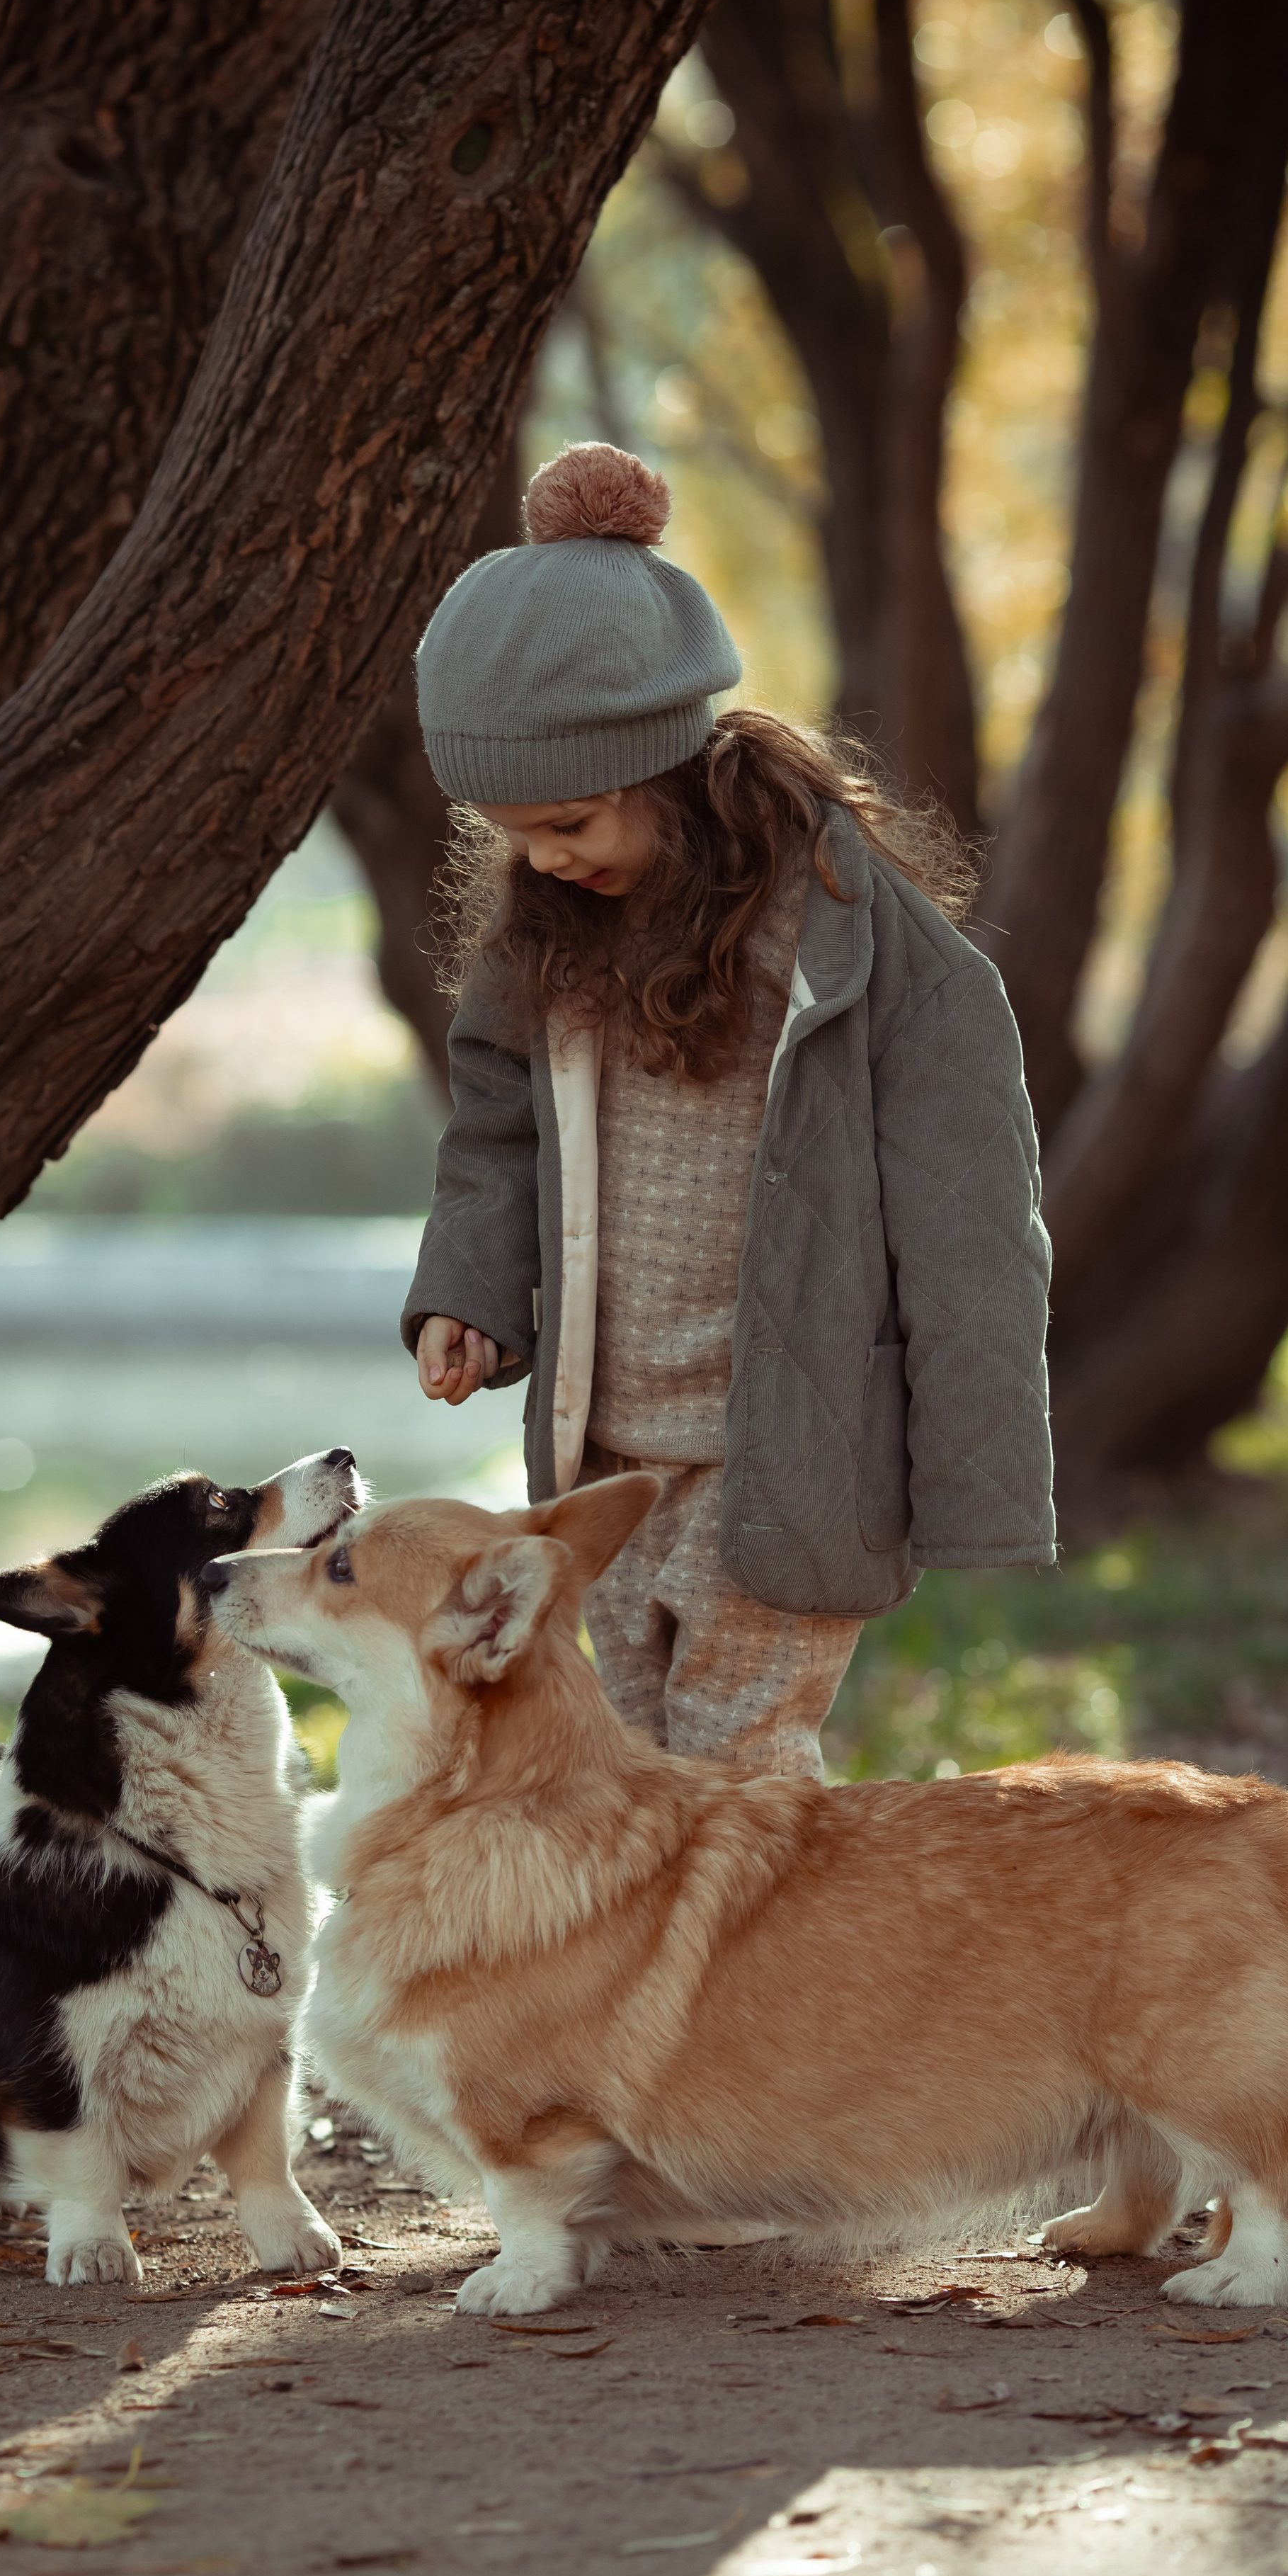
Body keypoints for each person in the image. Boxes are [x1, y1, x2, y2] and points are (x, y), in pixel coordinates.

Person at [401, 441, 1054, 1781]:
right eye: (513, 835)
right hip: (606, 1448)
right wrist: (469, 1288)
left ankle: (787, 1990)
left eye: (570, 820)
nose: (543, 859)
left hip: (791, 1447)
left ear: (663, 766)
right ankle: (678, 1995)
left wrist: (976, 1480)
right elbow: (497, 1133)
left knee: (740, 1765)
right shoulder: (547, 942)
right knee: (634, 1761)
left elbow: (972, 1215)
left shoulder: (850, 944)